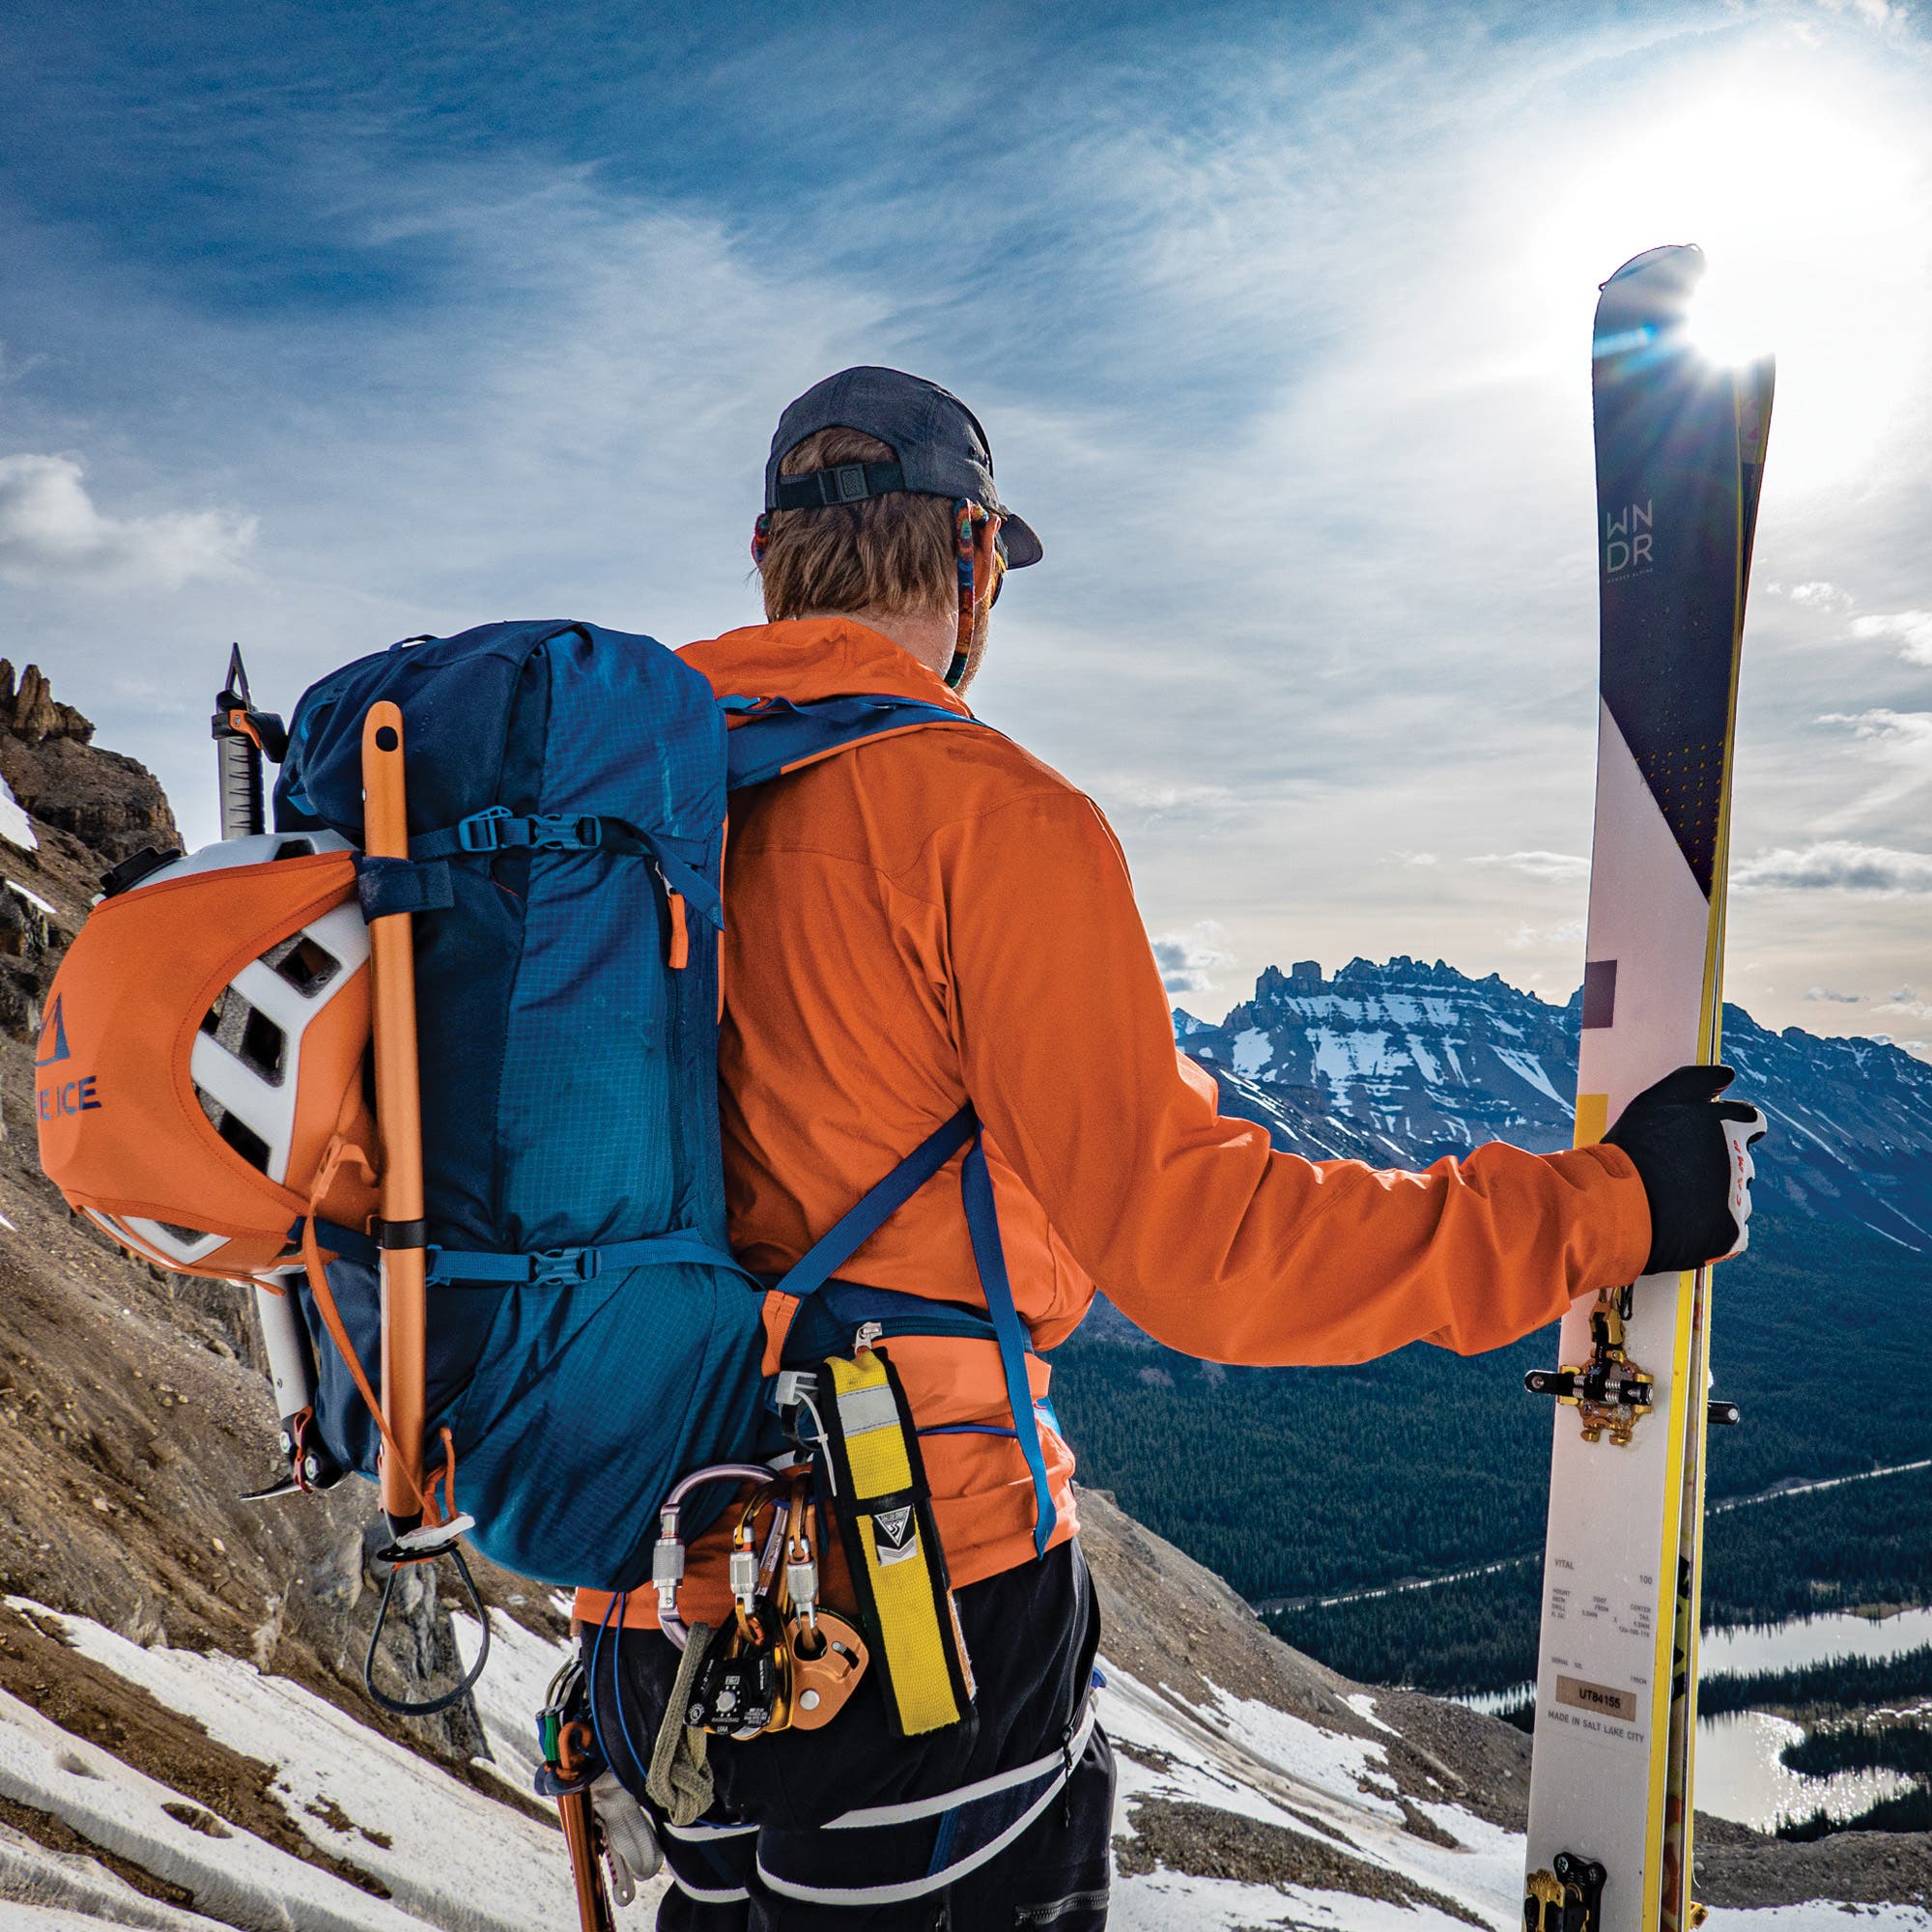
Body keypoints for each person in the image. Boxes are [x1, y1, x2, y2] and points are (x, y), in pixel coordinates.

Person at [577, 365, 1766, 1929]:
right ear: (975, 558)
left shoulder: (610, 819)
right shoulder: (985, 818)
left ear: (764, 554)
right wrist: (1612, 1207)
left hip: (650, 1593)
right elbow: (1213, 1261)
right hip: (915, 1589)